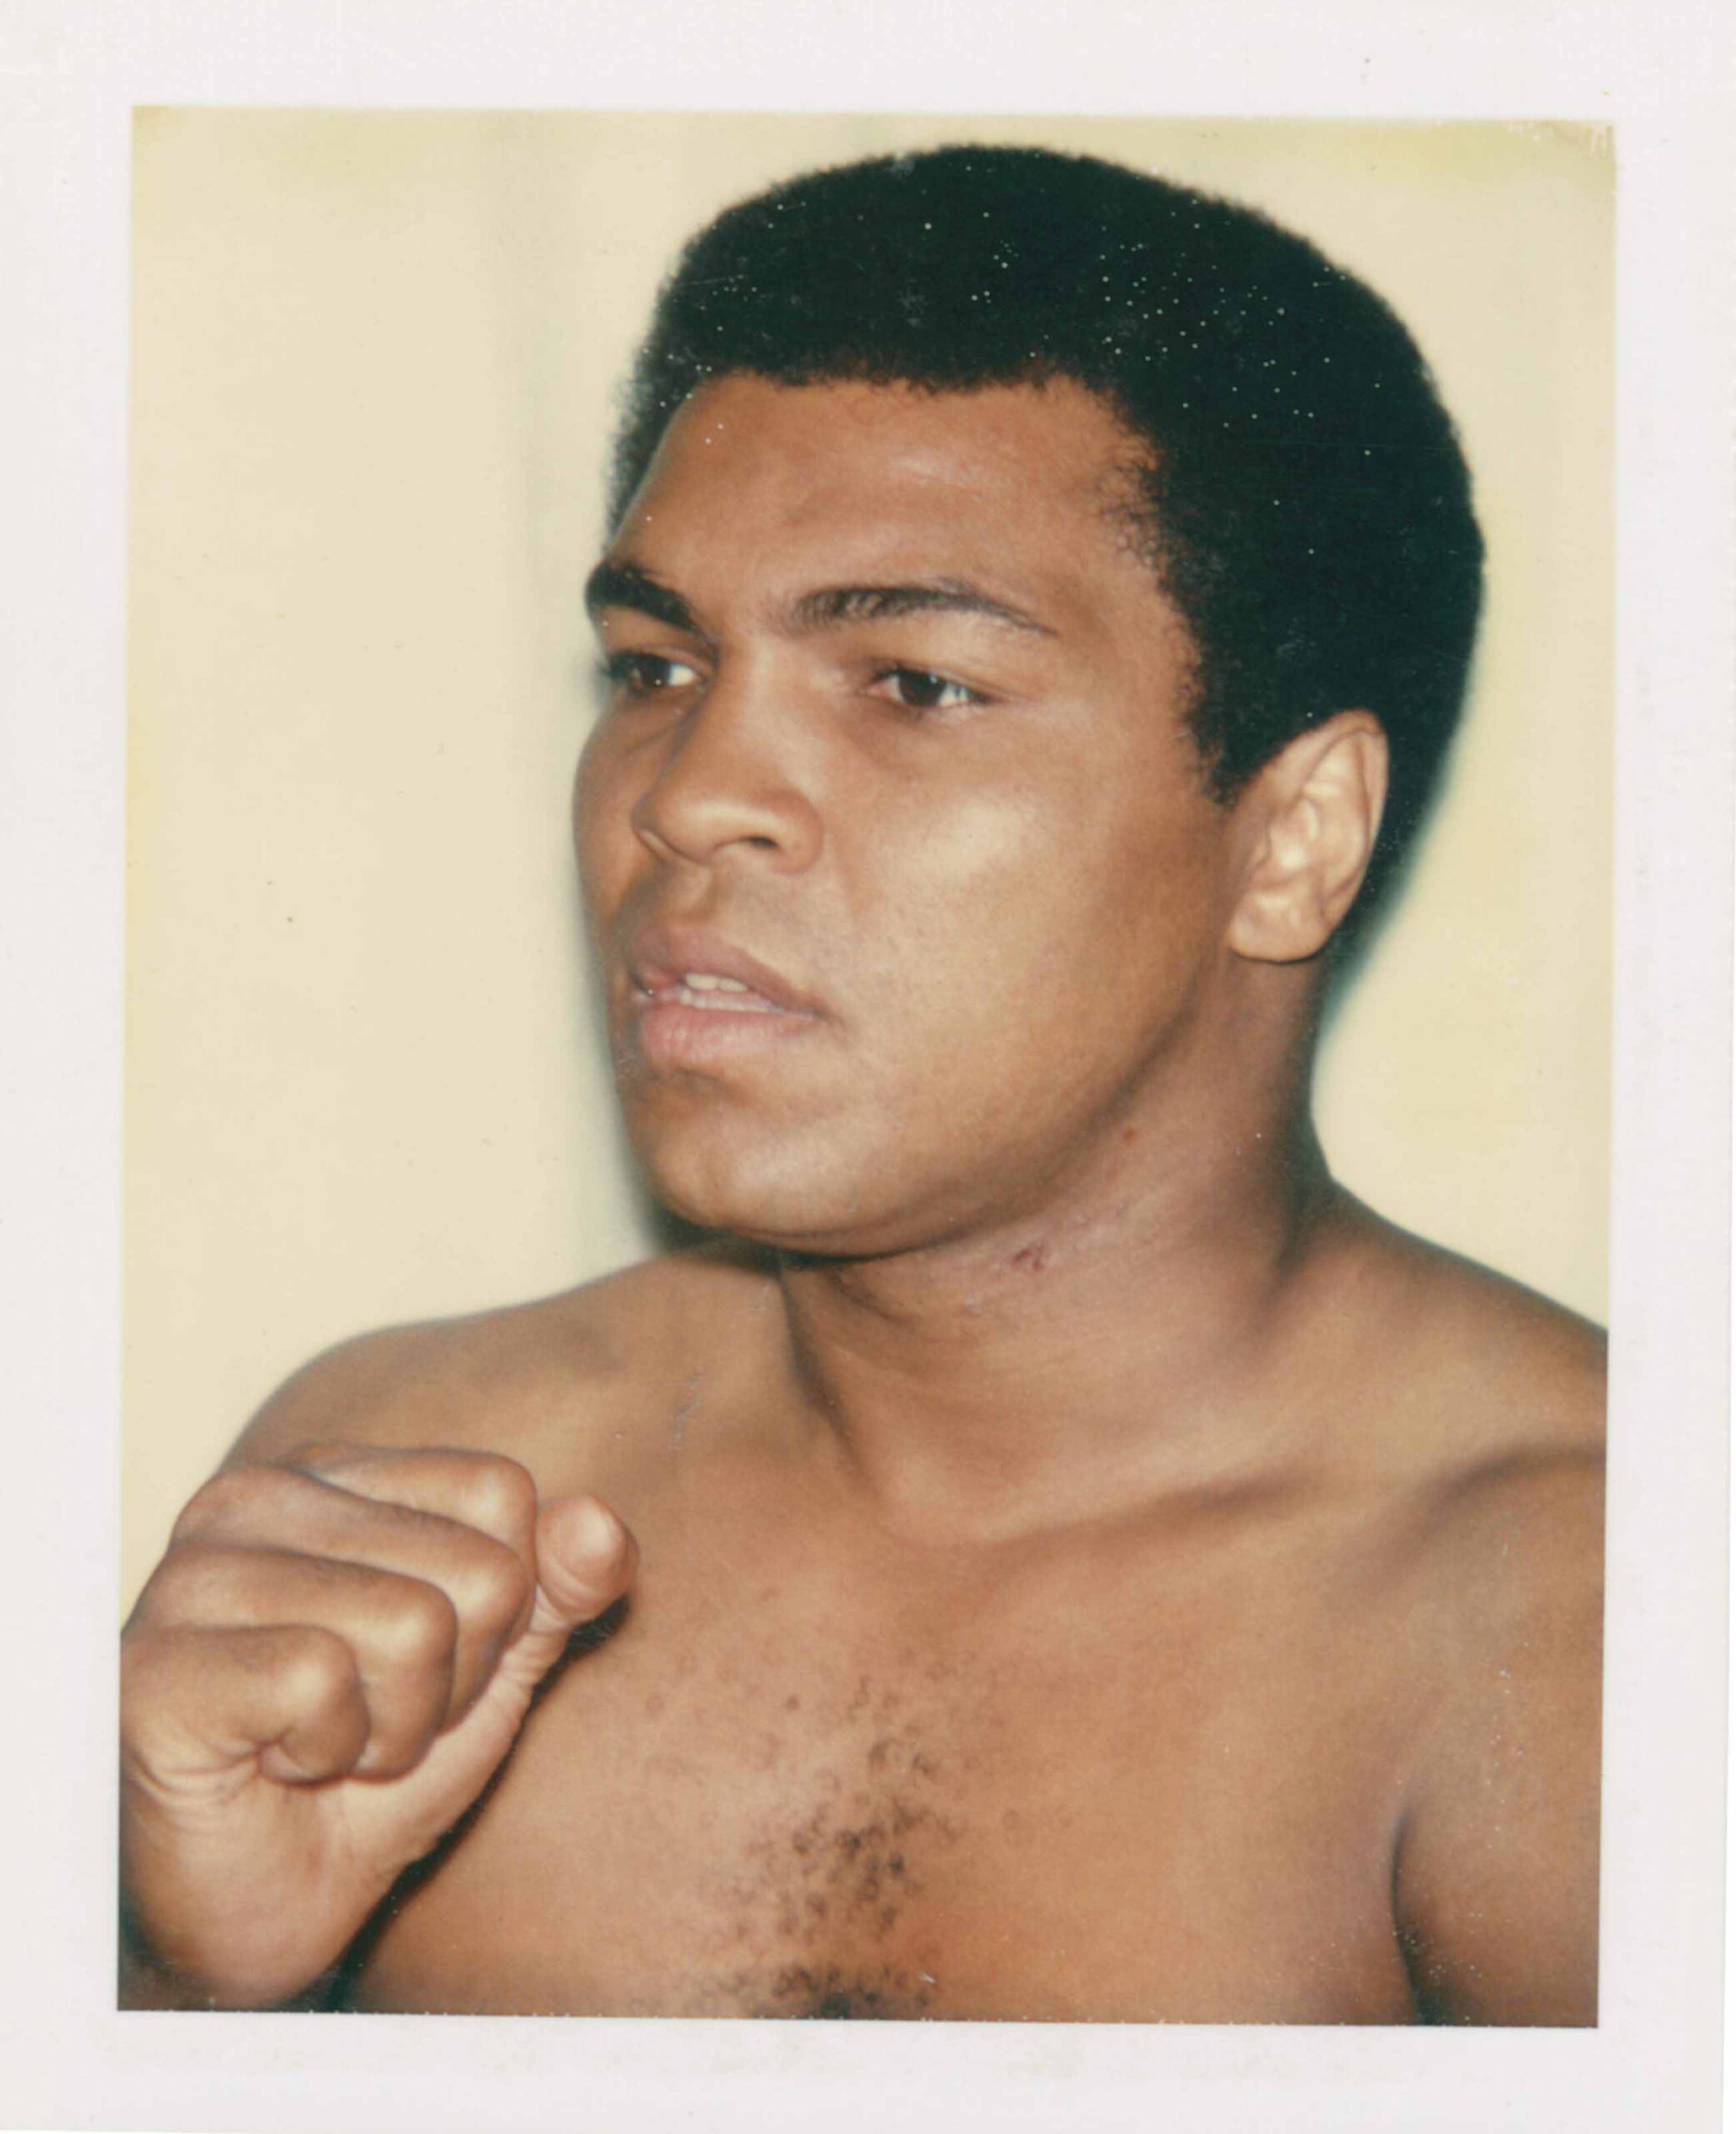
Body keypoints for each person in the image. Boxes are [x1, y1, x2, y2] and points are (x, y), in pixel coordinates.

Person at [119, 143, 1603, 2024]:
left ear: (1295, 836)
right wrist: (178, 1988)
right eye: (655, 666)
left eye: (913, 683)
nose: (686, 796)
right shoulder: (411, 1497)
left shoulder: (1585, 1615)